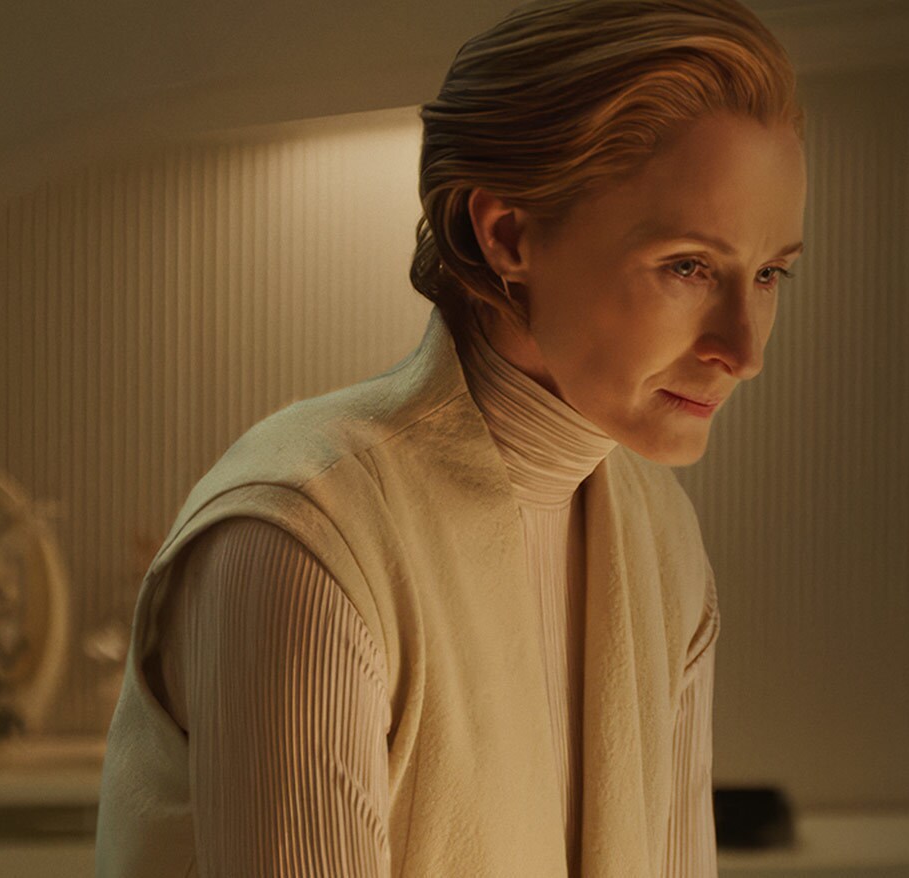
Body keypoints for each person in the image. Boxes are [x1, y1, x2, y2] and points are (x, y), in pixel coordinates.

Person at [93, 1, 806, 874]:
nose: (744, 350)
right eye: (688, 266)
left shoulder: (663, 539)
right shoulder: (302, 540)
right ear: (506, 233)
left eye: (769, 273)